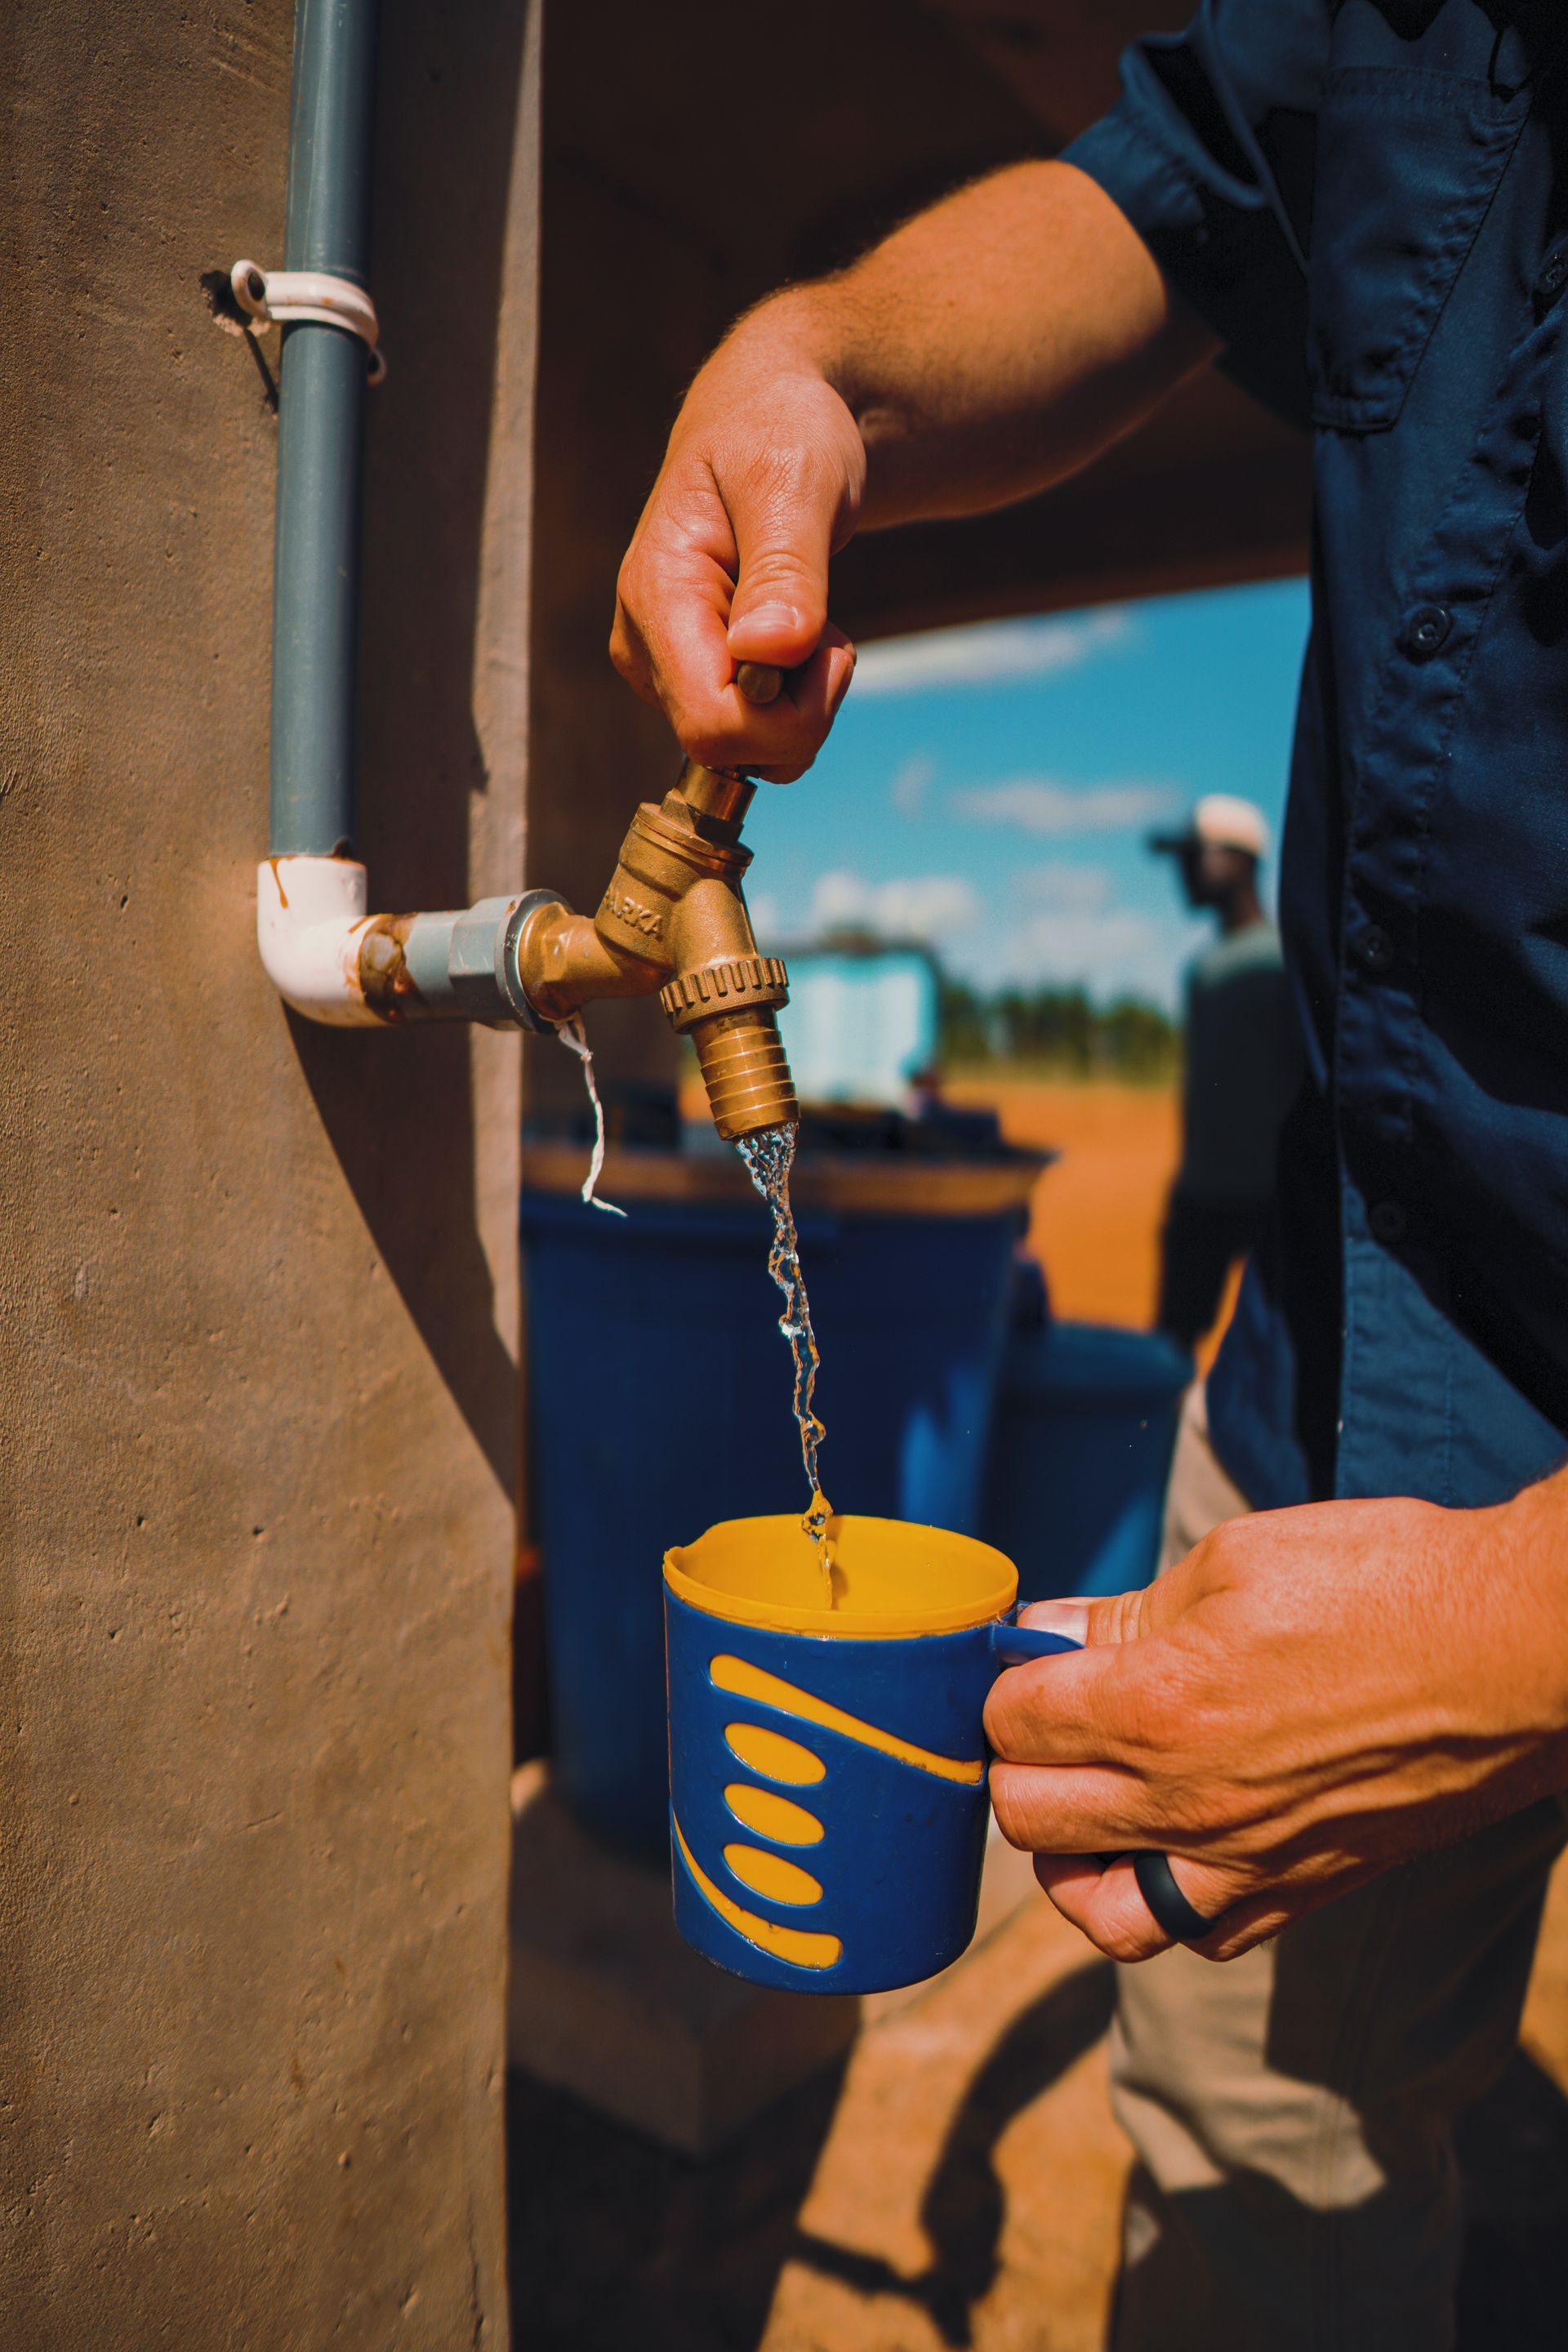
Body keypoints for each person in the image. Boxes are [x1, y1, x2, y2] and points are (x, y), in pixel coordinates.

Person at [609, 4, 1568, 2342]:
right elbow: (1174, 192)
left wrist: (1503, 1641)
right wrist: (816, 358)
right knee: (1264, 2139)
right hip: (1367, 1321)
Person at [1149, 795, 1301, 1352]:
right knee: (1172, 1346)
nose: (1182, 873)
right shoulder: (1203, 968)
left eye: (1193, 857)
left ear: (1239, 861)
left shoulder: (1284, 961)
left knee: (1286, 1357)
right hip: (1200, 1193)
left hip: (1273, 1202)